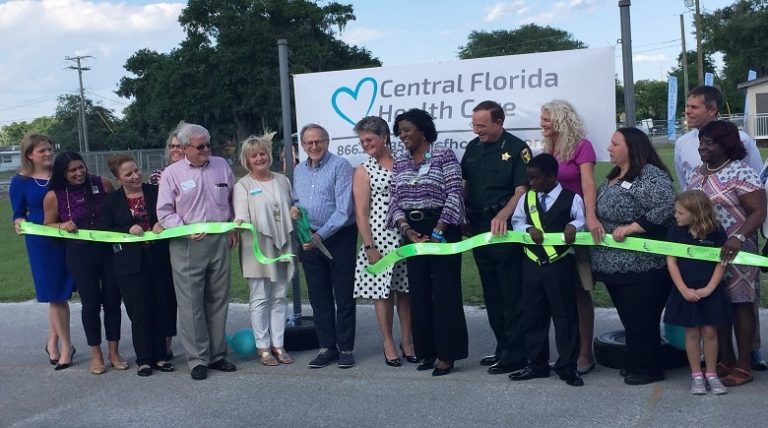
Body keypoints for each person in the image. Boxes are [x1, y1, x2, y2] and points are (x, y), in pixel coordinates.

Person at [674, 85, 766, 371]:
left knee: (741, 304)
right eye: (701, 142)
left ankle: (743, 364)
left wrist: (738, 237)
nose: (702, 147)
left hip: (737, 250)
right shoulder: (697, 175)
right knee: (718, 306)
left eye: (709, 143)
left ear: (726, 145)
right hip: (708, 251)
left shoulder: (741, 171)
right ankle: (724, 359)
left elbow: (759, 210)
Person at [591, 128, 676, 386]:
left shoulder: (649, 176)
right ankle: (638, 361)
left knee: (642, 318)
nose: (609, 148)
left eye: (615, 144)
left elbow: (669, 204)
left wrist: (633, 227)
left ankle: (649, 368)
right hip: (613, 265)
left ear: (632, 147)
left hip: (644, 266)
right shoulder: (614, 176)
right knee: (630, 318)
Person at [387, 108, 469, 376]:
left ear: (422, 130)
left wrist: (438, 231)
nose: (402, 136)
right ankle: (426, 352)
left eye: (406, 130)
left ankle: (447, 355)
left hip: (442, 228)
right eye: (399, 131)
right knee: (419, 293)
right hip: (412, 231)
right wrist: (407, 229)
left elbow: (455, 194)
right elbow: (395, 200)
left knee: (445, 293)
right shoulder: (400, 161)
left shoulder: (444, 155)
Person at [156, 123, 238, 381]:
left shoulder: (221, 166)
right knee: (191, 303)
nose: (206, 150)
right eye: (200, 146)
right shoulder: (172, 174)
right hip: (187, 243)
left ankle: (218, 355)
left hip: (219, 241)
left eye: (208, 145)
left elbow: (233, 198)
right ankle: (197, 359)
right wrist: (183, 229)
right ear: (185, 148)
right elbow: (164, 211)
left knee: (218, 299)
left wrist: (233, 225)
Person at [461, 100, 530, 375]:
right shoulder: (473, 147)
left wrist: (503, 215)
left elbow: (522, 189)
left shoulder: (516, 149)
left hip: (504, 228)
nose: (477, 130)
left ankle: (517, 352)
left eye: (482, 125)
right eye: (474, 125)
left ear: (499, 122)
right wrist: (462, 214)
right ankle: (503, 347)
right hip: (478, 226)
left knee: (510, 292)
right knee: (491, 292)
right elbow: (466, 184)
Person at [43, 151, 125, 375]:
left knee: (112, 301)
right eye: (72, 170)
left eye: (81, 167)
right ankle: (95, 354)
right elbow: (47, 224)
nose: (79, 173)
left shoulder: (102, 184)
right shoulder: (54, 195)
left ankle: (114, 352)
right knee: (90, 305)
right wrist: (61, 225)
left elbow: (118, 210)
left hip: (108, 252)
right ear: (63, 173)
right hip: (79, 255)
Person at [509, 153, 585, 387]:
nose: (531, 183)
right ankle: (536, 363)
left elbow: (580, 219)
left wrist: (573, 226)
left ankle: (567, 365)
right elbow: (517, 222)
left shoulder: (571, 198)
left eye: (535, 178)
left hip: (559, 263)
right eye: (529, 178)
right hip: (532, 262)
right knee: (533, 314)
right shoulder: (528, 198)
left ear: (552, 177)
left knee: (565, 315)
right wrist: (529, 228)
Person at [99, 154, 176, 377]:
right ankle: (143, 359)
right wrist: (127, 230)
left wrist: (162, 222)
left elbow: (169, 213)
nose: (135, 175)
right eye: (128, 173)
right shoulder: (111, 201)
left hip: (159, 260)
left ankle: (161, 356)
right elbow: (105, 231)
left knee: (161, 305)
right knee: (139, 311)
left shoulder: (155, 192)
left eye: (136, 170)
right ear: (117, 177)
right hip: (130, 265)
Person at [539, 100, 600, 375]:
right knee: (557, 292)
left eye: (546, 119)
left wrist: (590, 218)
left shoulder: (582, 146)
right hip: (550, 229)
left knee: (579, 291)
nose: (542, 124)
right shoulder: (548, 149)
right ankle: (568, 351)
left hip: (575, 228)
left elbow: (588, 184)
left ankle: (585, 353)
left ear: (561, 120)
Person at [291, 123, 357, 369]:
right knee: (318, 296)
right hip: (308, 238)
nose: (314, 146)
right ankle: (327, 347)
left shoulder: (340, 166)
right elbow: (297, 201)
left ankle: (346, 348)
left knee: (343, 295)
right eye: (309, 142)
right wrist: (300, 224)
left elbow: (343, 210)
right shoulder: (299, 170)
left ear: (327, 142)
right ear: (303, 145)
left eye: (319, 141)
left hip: (338, 237)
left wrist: (320, 236)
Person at [351, 116, 414, 367]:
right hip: (379, 237)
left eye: (370, 139)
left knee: (406, 292)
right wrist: (369, 246)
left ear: (384, 137)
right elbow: (361, 212)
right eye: (362, 141)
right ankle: (388, 342)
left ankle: (407, 341)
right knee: (383, 293)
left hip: (406, 235)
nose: (366, 144)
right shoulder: (363, 170)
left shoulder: (404, 163)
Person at [10, 133, 75, 370]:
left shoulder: (62, 175)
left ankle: (52, 341)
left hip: (67, 236)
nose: (48, 154)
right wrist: (18, 221)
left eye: (50, 149)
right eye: (42, 151)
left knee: (59, 293)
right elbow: (18, 212)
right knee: (54, 294)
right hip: (41, 242)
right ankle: (66, 346)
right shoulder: (20, 182)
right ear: (29, 155)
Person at [233, 133, 296, 366]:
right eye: (254, 156)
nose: (259, 158)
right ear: (247, 161)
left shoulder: (282, 180)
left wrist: (294, 212)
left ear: (269, 155)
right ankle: (263, 347)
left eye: (262, 153)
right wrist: (238, 223)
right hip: (256, 247)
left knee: (279, 296)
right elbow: (241, 216)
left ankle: (278, 344)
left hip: (283, 244)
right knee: (259, 297)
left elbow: (291, 205)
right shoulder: (243, 186)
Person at [663, 190, 729, 395]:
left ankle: (711, 374)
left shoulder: (717, 232)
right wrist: (683, 289)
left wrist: (710, 288)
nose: (676, 216)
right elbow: (671, 261)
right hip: (686, 290)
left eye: (680, 213)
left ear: (697, 213)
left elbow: (722, 262)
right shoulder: (675, 231)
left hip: (710, 290)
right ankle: (696, 375)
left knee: (710, 332)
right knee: (691, 332)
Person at [147, 124, 183, 360]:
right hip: (164, 242)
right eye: (172, 146)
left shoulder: (200, 173)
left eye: (180, 146)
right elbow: (154, 209)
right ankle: (162, 343)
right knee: (162, 293)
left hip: (192, 239)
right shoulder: (158, 177)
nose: (176, 150)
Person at [147, 122, 186, 186]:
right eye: (172, 146)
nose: (175, 149)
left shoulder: (196, 173)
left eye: (179, 146)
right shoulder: (157, 175)